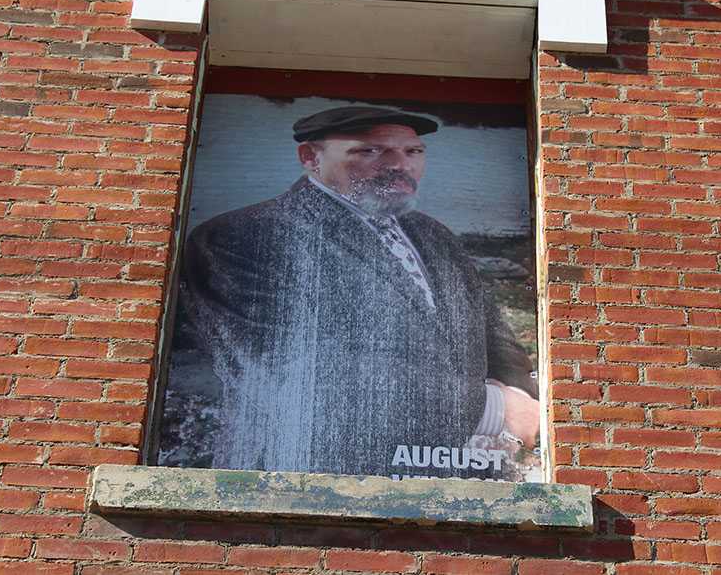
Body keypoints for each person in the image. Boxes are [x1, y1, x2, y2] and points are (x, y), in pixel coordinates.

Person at [162, 105, 540, 479]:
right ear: (311, 158)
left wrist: (515, 399)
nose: (399, 165)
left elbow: (493, 334)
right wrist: (490, 409)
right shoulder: (244, 237)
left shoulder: (434, 235)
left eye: (413, 152)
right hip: (312, 483)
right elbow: (300, 371)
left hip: (454, 477)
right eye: (370, 150)